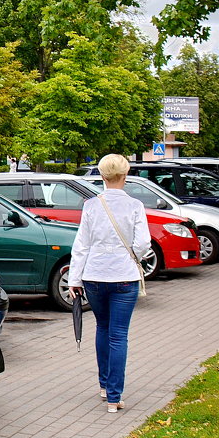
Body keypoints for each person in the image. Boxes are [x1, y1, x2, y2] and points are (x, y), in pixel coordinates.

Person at [67, 153, 150, 414]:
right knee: (119, 335)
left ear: (102, 177)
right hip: (124, 277)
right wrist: (132, 257)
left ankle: (104, 386)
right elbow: (144, 243)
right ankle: (114, 397)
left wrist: (74, 278)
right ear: (125, 176)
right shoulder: (135, 205)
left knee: (102, 328)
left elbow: (82, 245)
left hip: (94, 276)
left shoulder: (92, 205)